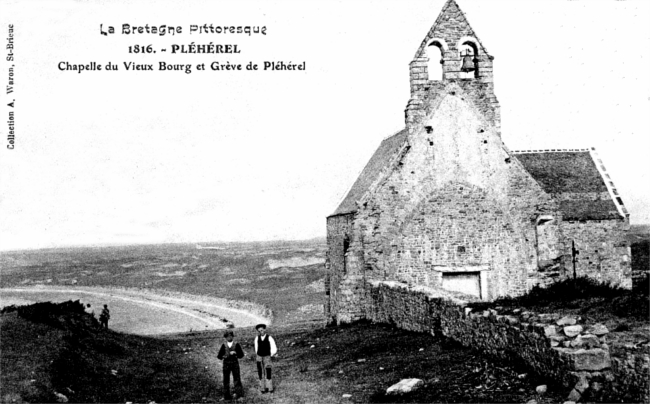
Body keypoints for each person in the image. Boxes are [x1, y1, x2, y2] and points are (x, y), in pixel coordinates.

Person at [216, 330, 245, 400]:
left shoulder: (236, 344)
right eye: (227, 336)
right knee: (226, 380)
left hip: (235, 363)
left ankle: (238, 395)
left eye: (230, 336)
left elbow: (241, 355)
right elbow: (219, 356)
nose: (229, 338)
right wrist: (225, 356)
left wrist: (236, 353)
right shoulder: (224, 345)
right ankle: (226, 396)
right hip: (226, 364)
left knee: (237, 379)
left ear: (232, 336)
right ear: (225, 338)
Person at [253, 323, 277, 393]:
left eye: (262, 330)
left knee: (268, 371)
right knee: (260, 372)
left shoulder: (269, 338)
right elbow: (256, 348)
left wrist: (270, 354)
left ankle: (269, 388)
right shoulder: (257, 338)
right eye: (259, 331)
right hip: (259, 357)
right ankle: (262, 388)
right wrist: (258, 354)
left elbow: (274, 348)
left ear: (265, 330)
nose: (261, 332)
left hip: (267, 357)